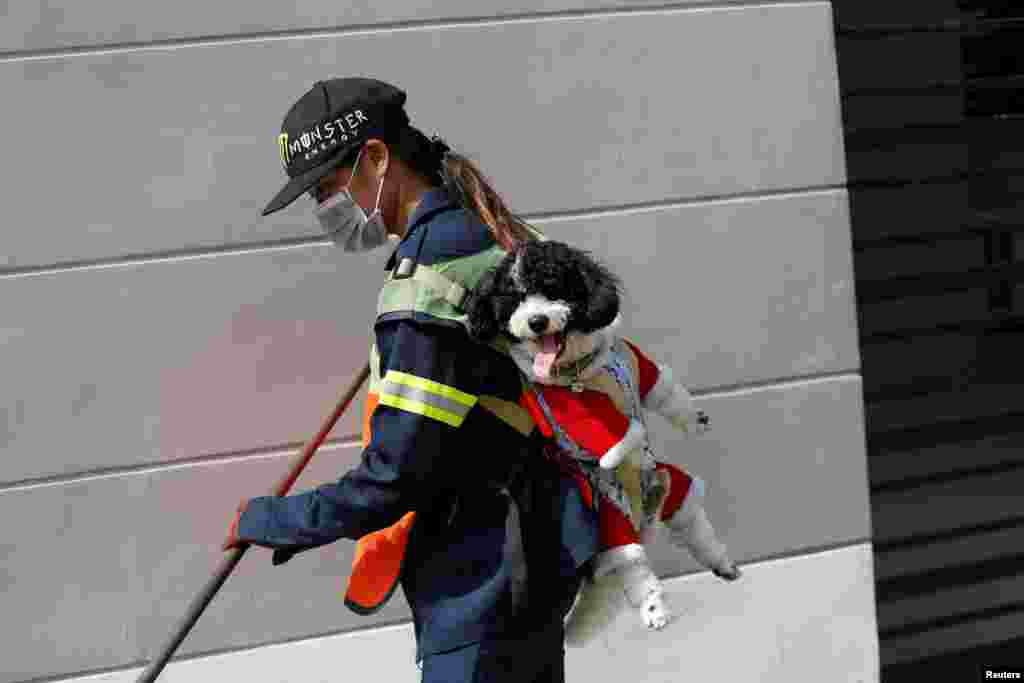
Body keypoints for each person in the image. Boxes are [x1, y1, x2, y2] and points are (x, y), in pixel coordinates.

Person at [222, 77, 600, 683]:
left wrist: (272, 521)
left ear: (375, 158)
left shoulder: (429, 278)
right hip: (534, 557)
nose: (326, 211)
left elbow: (393, 476)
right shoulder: (480, 233)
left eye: (326, 188)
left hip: (480, 583)